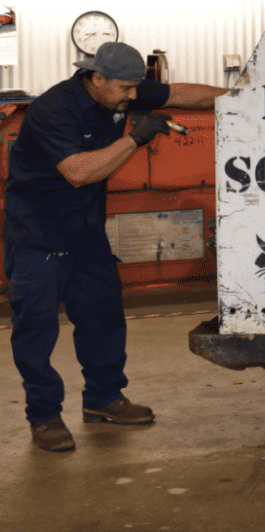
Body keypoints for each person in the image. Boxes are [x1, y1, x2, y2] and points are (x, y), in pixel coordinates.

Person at [4, 42, 227, 452]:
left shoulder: (122, 89)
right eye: (124, 89)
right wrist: (135, 138)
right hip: (38, 237)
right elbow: (78, 172)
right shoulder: (54, 110)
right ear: (97, 78)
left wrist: (243, 97)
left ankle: (104, 400)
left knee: (104, 320)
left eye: (135, 89)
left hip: (86, 236)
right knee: (37, 332)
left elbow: (179, 93)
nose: (131, 96)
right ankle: (44, 416)